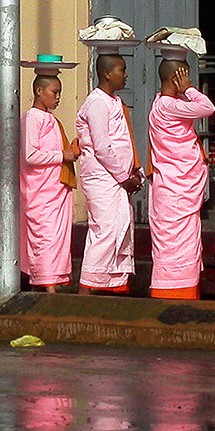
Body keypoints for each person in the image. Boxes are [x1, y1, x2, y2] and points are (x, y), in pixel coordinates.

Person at [147, 52, 215, 300]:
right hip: (176, 189)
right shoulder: (169, 105)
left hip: (175, 187)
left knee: (179, 243)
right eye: (185, 76)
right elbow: (207, 107)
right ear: (177, 78)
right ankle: (174, 294)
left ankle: (182, 291)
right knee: (177, 246)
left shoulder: (159, 103)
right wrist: (189, 89)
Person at [75, 54, 143, 294]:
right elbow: (102, 147)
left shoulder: (114, 102)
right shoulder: (96, 103)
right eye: (121, 70)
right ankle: (86, 290)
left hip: (117, 178)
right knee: (104, 231)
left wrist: (135, 170)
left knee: (119, 230)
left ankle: (115, 286)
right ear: (106, 74)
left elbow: (123, 141)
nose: (125, 75)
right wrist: (123, 178)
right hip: (103, 178)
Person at [20, 65, 78, 291]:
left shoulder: (50, 119)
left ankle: (47, 283)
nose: (58, 98)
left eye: (59, 92)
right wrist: (62, 155)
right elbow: (30, 154)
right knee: (44, 238)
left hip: (54, 189)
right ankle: (46, 285)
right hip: (40, 193)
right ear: (38, 91)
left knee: (54, 240)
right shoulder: (31, 118)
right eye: (54, 92)